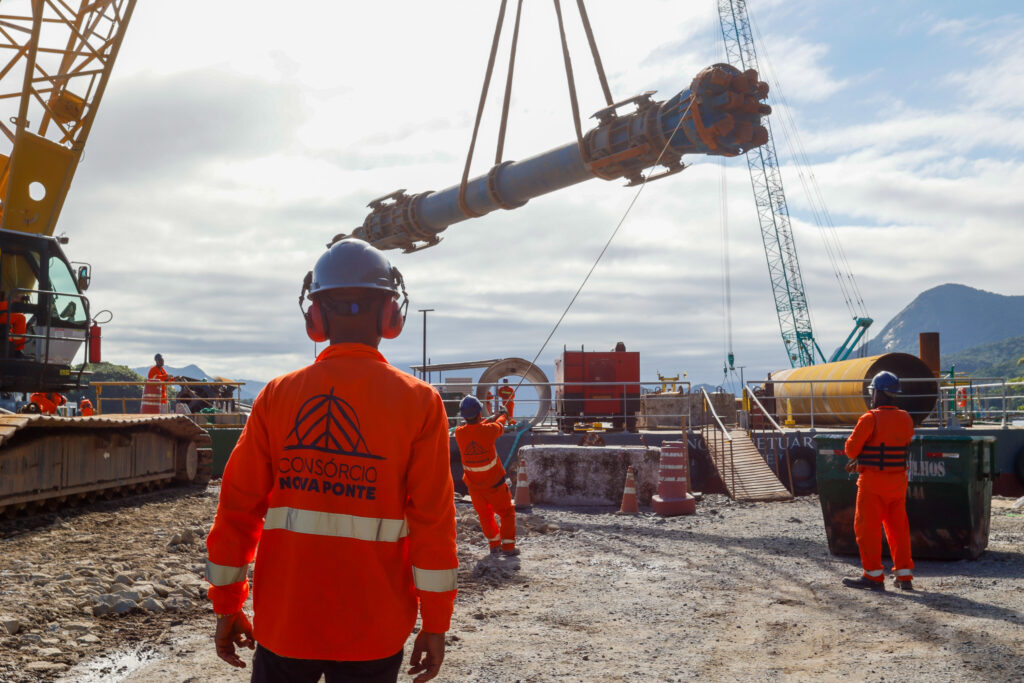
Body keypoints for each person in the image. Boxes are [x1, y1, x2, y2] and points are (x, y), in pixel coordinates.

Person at [204, 237, 457, 683]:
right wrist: (435, 622)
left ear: (315, 318)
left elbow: (237, 509)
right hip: (374, 629)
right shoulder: (420, 403)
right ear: (391, 316)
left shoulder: (276, 396)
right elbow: (433, 522)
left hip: (286, 624)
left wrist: (227, 604)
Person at [842, 371, 916, 591]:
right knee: (898, 529)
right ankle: (904, 576)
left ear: (877, 393)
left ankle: (873, 576)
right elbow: (903, 440)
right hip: (898, 483)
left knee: (868, 529)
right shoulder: (906, 417)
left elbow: (850, 450)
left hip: (872, 483)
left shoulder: (869, 418)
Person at [454, 395, 519, 557]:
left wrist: (488, 419)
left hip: (474, 488)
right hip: (495, 485)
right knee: (507, 513)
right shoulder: (489, 430)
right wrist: (503, 414)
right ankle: (509, 547)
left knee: (485, 515)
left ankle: (494, 545)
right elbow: (499, 425)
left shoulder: (459, 433)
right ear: (479, 413)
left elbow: (475, 429)